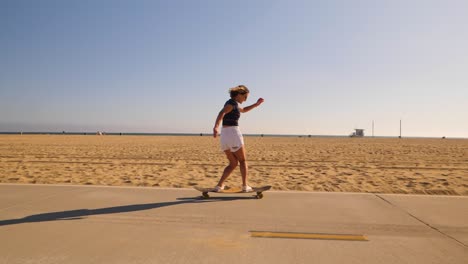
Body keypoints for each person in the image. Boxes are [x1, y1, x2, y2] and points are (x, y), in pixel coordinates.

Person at [212, 85, 264, 192]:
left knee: (233, 163)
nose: (245, 99)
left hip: (225, 136)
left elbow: (244, 110)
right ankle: (245, 186)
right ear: (239, 95)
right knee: (243, 161)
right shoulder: (231, 104)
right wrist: (216, 126)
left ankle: (219, 185)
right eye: (245, 97)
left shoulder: (232, 104)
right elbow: (221, 113)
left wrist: (256, 104)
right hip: (233, 133)